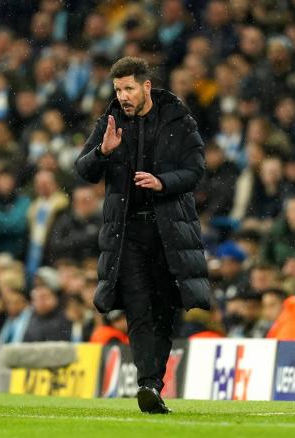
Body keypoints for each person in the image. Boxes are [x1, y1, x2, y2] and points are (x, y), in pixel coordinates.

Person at [75, 56, 210, 414]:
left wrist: (163, 183)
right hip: (127, 230)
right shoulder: (110, 121)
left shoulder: (178, 119)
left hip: (168, 230)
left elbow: (196, 170)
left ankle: (153, 382)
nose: (123, 96)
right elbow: (82, 169)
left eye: (129, 88)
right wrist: (103, 152)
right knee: (138, 306)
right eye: (118, 89)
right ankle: (147, 383)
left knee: (165, 308)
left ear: (146, 86)